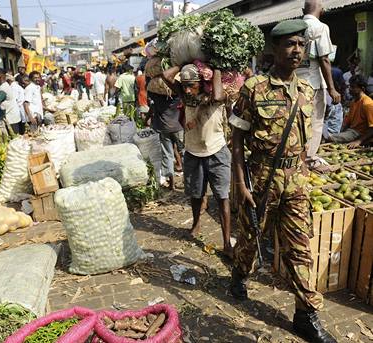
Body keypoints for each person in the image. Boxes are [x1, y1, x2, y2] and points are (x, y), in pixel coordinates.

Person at [229, 20, 337, 343]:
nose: (297, 51)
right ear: (273, 49)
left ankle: (306, 315)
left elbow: (304, 143)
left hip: (297, 183)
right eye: (290, 44)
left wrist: (311, 167)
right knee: (250, 238)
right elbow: (236, 140)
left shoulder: (306, 91)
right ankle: (239, 274)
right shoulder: (254, 89)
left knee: (301, 248)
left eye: (301, 45)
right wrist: (241, 185)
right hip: (262, 179)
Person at [162, 63, 233, 258]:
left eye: (192, 85)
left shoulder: (216, 95)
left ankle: (227, 242)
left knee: (222, 197)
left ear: (202, 83)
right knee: (195, 194)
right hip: (193, 152)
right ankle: (195, 224)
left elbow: (218, 97)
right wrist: (186, 61)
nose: (187, 89)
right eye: (184, 85)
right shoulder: (186, 96)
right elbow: (166, 75)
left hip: (217, 151)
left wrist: (214, 66)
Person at [295, 0, 341, 168]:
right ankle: (308, 161)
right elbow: (324, 59)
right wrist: (332, 89)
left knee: (296, 123)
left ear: (302, 10)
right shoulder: (320, 27)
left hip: (294, 83)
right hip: (313, 85)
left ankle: (295, 158)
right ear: (321, 11)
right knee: (315, 123)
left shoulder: (296, 27)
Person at [147, 84, 184, 190]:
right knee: (184, 153)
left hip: (164, 128)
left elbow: (150, 92)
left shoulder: (157, 97)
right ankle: (187, 181)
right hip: (178, 127)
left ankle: (172, 184)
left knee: (167, 155)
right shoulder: (177, 96)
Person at [326, 75, 373, 147]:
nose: (350, 89)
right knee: (331, 136)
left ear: (362, 89)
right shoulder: (354, 102)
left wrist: (358, 141)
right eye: (350, 87)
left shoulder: (367, 103)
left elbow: (372, 128)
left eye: (353, 87)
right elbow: (347, 122)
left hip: (359, 133)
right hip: (352, 131)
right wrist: (341, 133)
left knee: (328, 137)